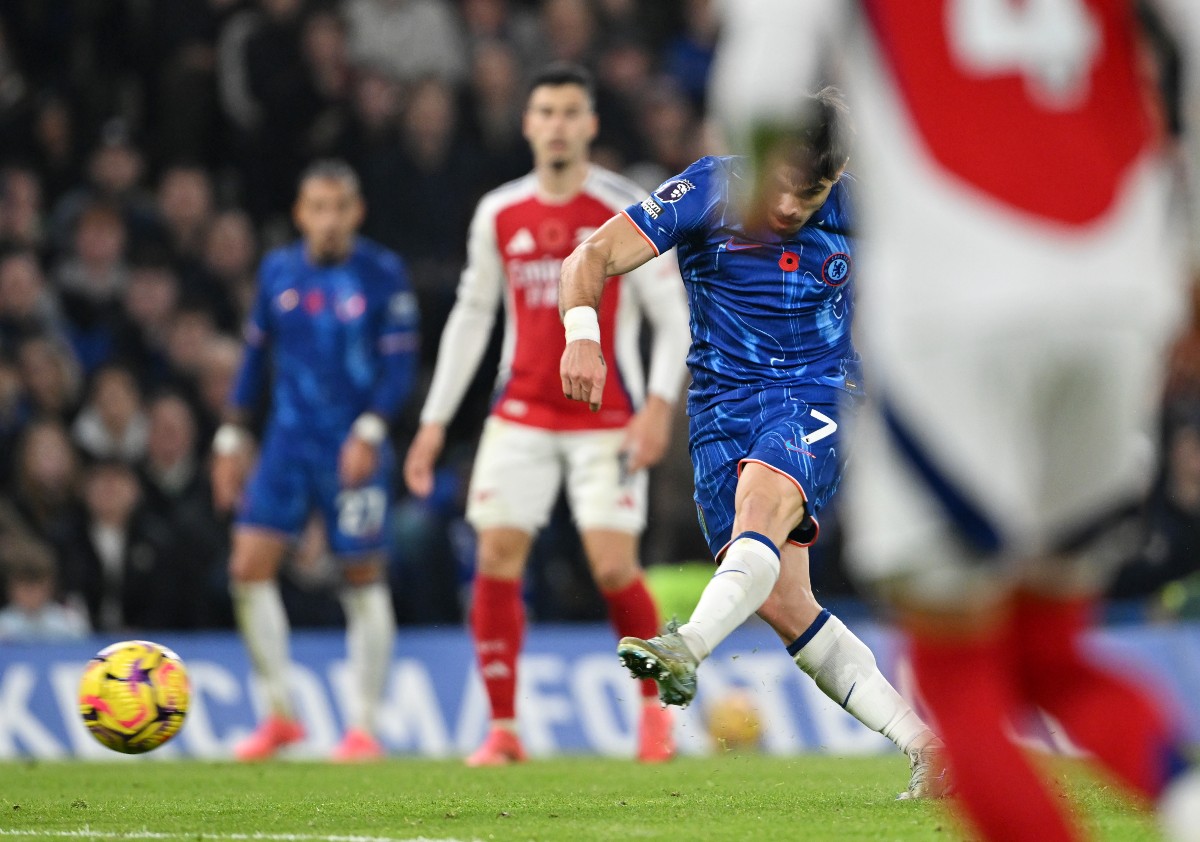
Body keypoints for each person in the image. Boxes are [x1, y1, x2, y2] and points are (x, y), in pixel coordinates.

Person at [705, 1, 1200, 840]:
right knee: (1050, 651)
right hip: (1117, 297)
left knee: (956, 670)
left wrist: (754, 184)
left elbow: (763, 78)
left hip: (957, 311)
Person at [558, 87, 947, 798]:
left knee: (764, 499)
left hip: (819, 395)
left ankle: (686, 646)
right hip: (717, 413)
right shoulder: (713, 186)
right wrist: (582, 336)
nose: (795, 207)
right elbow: (589, 258)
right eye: (787, 185)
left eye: (816, 191)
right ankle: (928, 747)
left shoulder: (867, 209)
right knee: (784, 602)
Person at [403, 63, 692, 766]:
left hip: (607, 419)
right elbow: (473, 315)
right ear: (529, 124)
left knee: (614, 567)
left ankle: (654, 715)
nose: (558, 125)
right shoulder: (500, 212)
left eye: (571, 112)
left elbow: (671, 315)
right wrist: (436, 420)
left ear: (590, 124)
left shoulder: (624, 209)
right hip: (522, 413)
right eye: (546, 112)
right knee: (496, 556)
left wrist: (657, 407)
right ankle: (503, 728)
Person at [211, 158, 420, 762]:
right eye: (317, 208)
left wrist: (373, 429)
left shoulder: (382, 274)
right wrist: (230, 435)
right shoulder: (277, 270)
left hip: (353, 443)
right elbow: (254, 359)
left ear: (357, 212)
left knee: (361, 578)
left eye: (340, 208)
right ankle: (279, 715)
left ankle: (364, 727)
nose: (329, 221)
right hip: (286, 441)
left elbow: (399, 366)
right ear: (301, 213)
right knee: (248, 565)